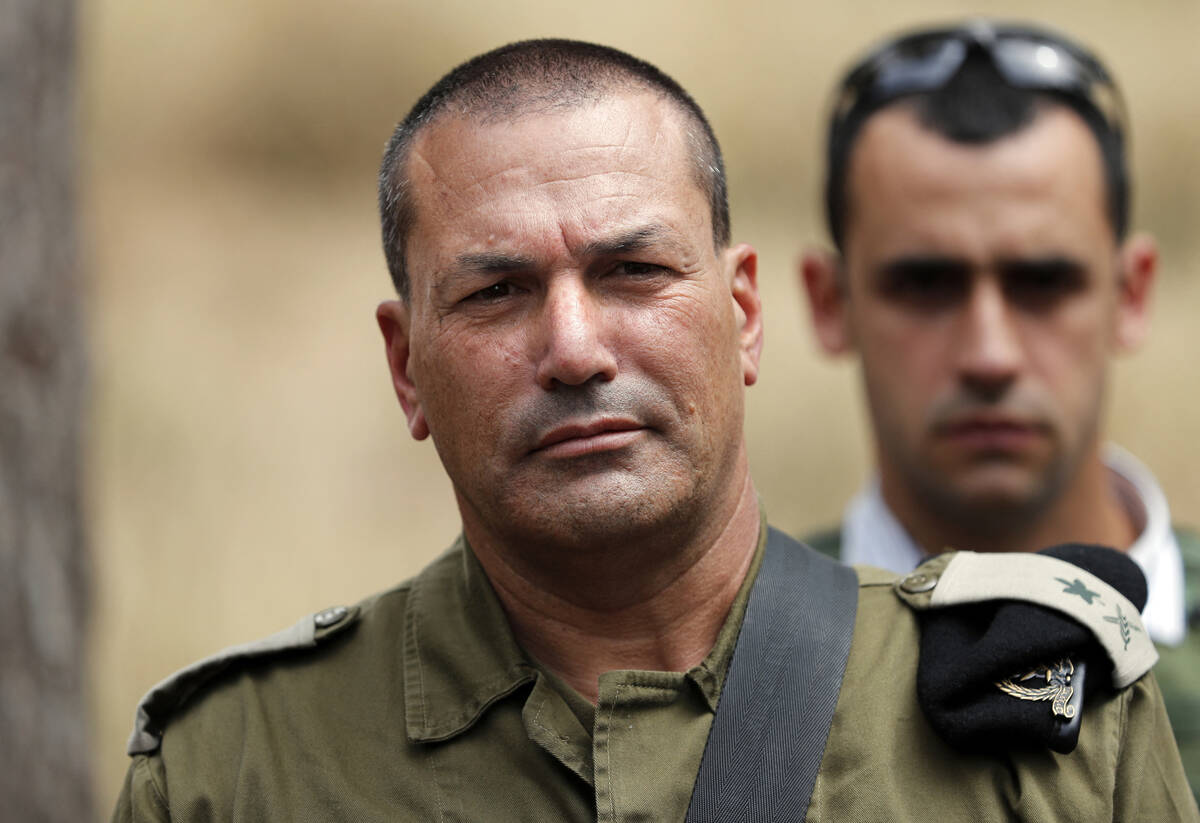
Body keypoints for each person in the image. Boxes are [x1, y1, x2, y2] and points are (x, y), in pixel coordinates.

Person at [113, 39, 1196, 821]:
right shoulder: (237, 768)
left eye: (633, 272)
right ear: (406, 367)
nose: (576, 348)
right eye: (496, 292)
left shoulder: (1043, 727)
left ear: (746, 316)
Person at [799, 18, 1200, 800]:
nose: (990, 354)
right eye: (925, 283)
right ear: (829, 302)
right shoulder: (734, 656)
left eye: (1043, 282)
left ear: (1132, 292)